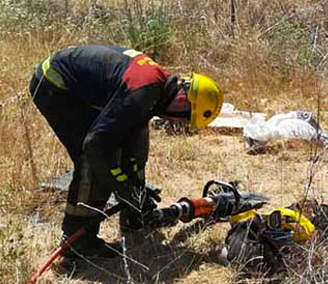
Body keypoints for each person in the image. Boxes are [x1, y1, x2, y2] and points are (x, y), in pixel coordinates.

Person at [29, 45, 223, 260]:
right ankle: (78, 242)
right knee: (92, 163)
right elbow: (96, 146)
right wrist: (122, 186)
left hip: (78, 85)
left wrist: (135, 194)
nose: (177, 122)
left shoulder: (155, 89)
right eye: (185, 118)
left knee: (134, 147)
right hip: (56, 86)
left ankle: (134, 217)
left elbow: (134, 149)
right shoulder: (143, 92)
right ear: (182, 101)